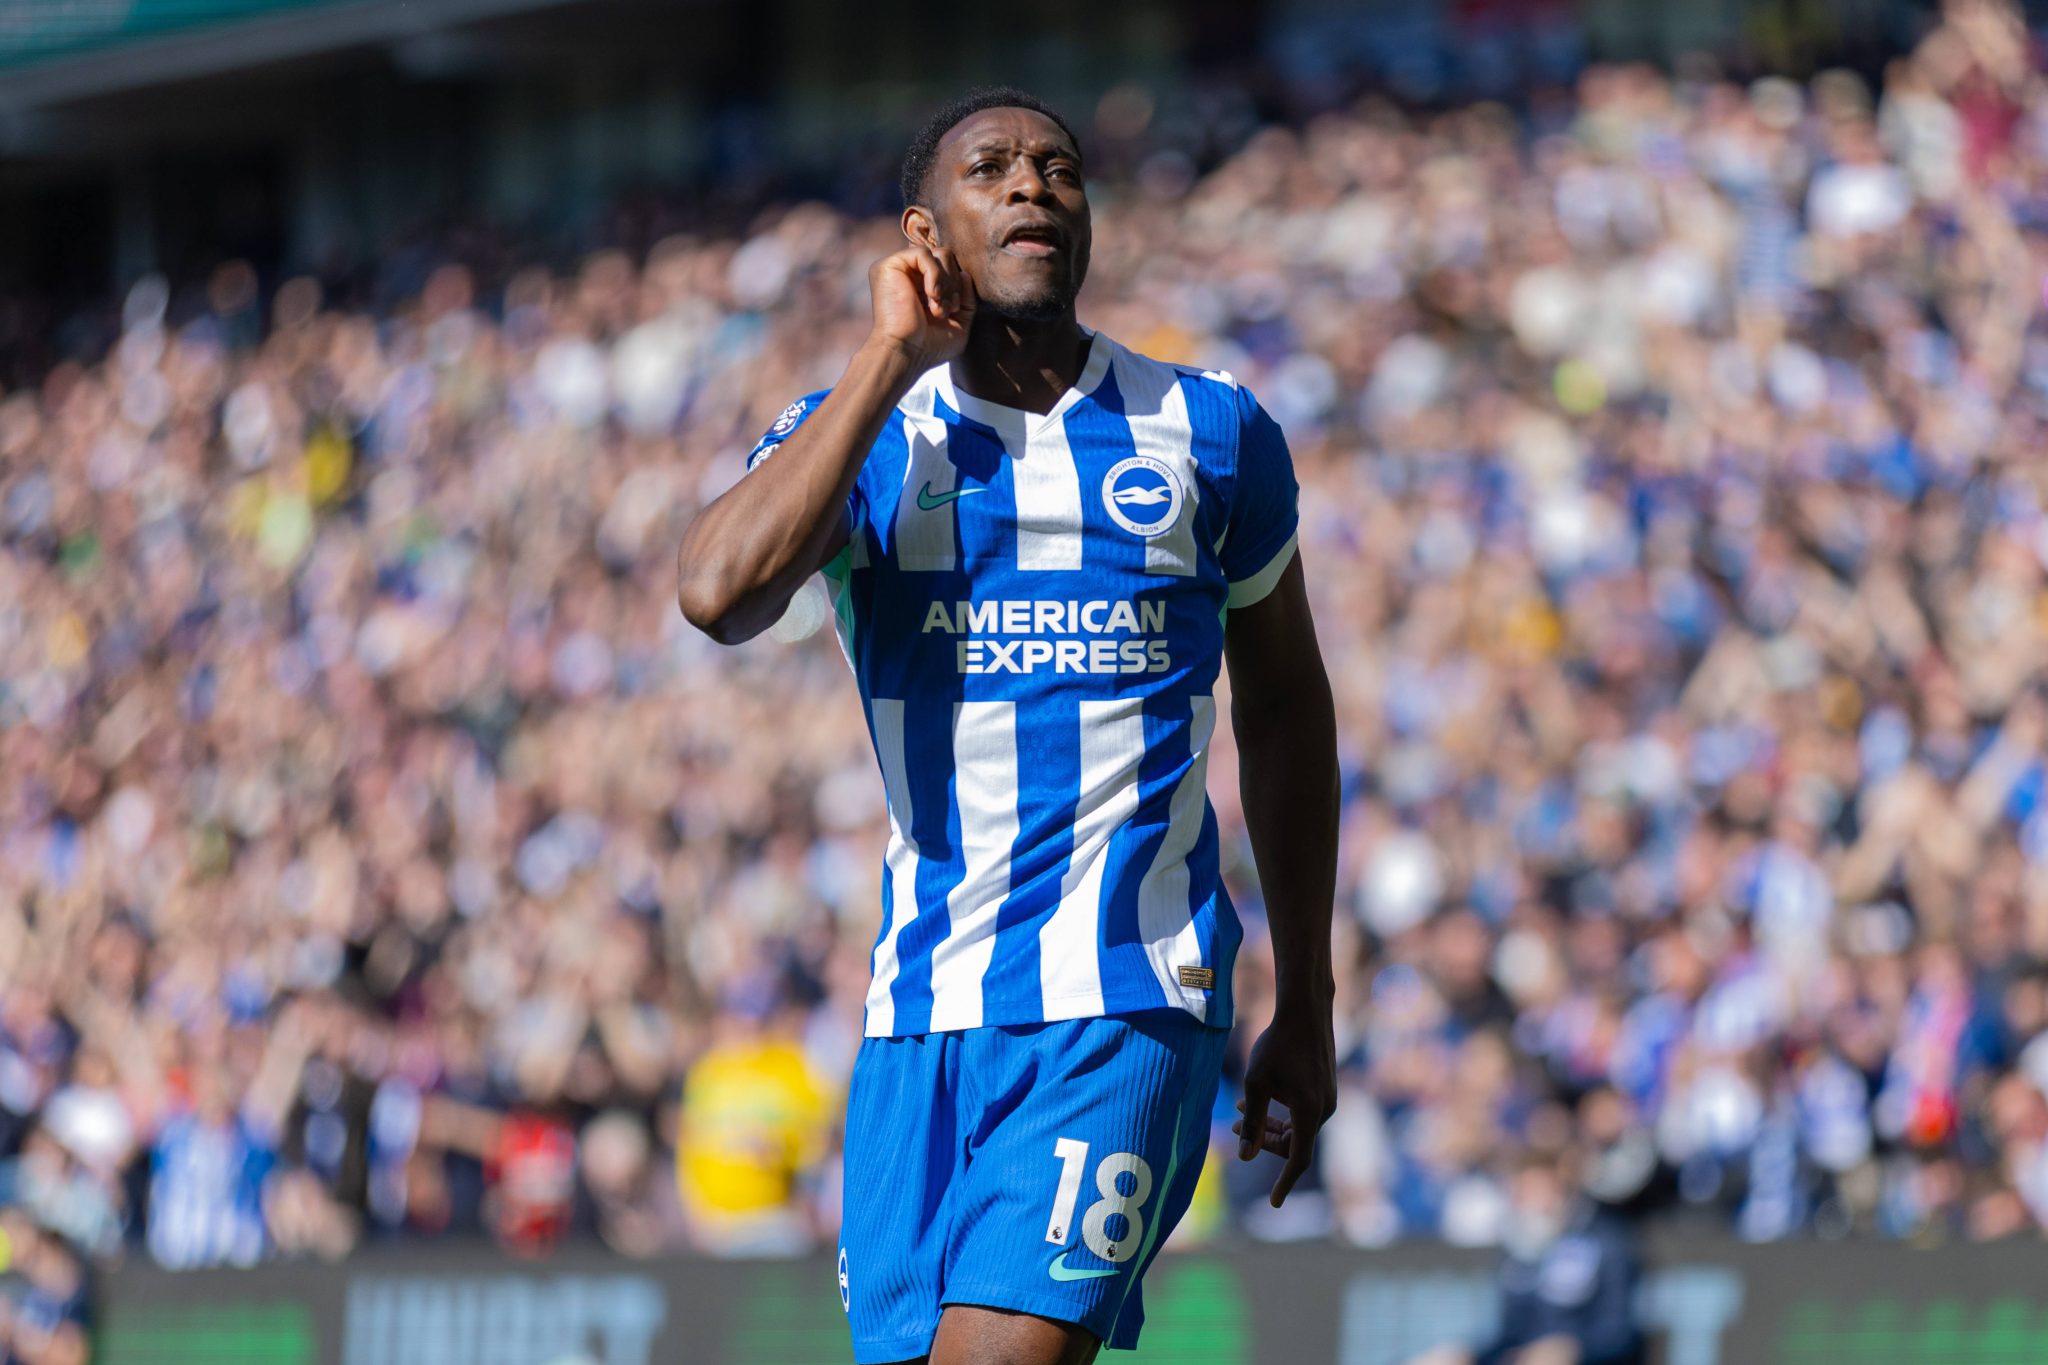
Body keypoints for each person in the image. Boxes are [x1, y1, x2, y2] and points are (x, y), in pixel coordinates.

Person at [677, 86, 1340, 1365]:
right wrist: (885, 360)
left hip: (1126, 996)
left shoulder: (1208, 432)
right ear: (926, 233)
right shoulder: (870, 439)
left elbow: (1285, 705)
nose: (1033, 183)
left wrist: (1303, 998)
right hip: (918, 1013)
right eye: (992, 167)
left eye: (1058, 167)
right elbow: (715, 593)